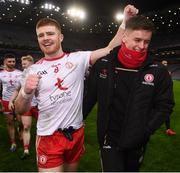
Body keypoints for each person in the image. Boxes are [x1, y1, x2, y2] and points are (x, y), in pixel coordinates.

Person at [14, 5, 138, 172]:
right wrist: (25, 92)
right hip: (49, 137)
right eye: (40, 35)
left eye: (50, 33)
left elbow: (110, 49)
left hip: (76, 133)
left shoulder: (78, 59)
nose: (45, 38)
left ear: (61, 37)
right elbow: (20, 110)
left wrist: (125, 21)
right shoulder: (32, 71)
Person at [83, 15, 175, 172]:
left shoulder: (158, 71)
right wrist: (76, 122)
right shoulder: (103, 65)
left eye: (147, 41)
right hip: (108, 138)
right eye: (137, 40)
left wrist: (145, 131)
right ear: (124, 37)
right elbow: (88, 98)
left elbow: (165, 106)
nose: (142, 46)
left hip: (137, 141)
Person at [8, 55, 38, 159]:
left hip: (39, 106)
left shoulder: (39, 73)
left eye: (25, 63)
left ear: (31, 64)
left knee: (42, 128)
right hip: (27, 106)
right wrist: (11, 100)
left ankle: (42, 148)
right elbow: (16, 90)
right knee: (26, 127)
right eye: (22, 63)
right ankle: (26, 150)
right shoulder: (22, 76)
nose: (22, 65)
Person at [0, 53, 22, 152]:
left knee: (21, 121)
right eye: (9, 61)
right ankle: (13, 142)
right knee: (10, 123)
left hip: (18, 100)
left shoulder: (20, 73)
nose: (12, 63)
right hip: (5, 100)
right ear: (5, 62)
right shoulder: (1, 74)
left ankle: (20, 131)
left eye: (13, 61)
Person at [161, 60, 176, 136]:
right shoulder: (159, 72)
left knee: (167, 111)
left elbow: (170, 85)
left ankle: (168, 129)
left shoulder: (168, 73)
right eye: (164, 63)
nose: (165, 64)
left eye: (166, 63)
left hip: (167, 95)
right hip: (160, 96)